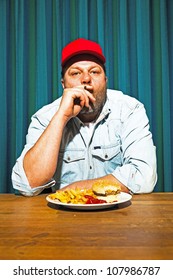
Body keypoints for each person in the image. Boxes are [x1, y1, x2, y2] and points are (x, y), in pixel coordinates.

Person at [12, 38, 157, 196]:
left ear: (105, 81)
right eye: (75, 73)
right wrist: (61, 116)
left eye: (94, 72)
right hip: (62, 217)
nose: (86, 79)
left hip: (119, 215)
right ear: (63, 84)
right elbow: (26, 184)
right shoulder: (45, 117)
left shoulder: (130, 110)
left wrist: (80, 188)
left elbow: (144, 176)